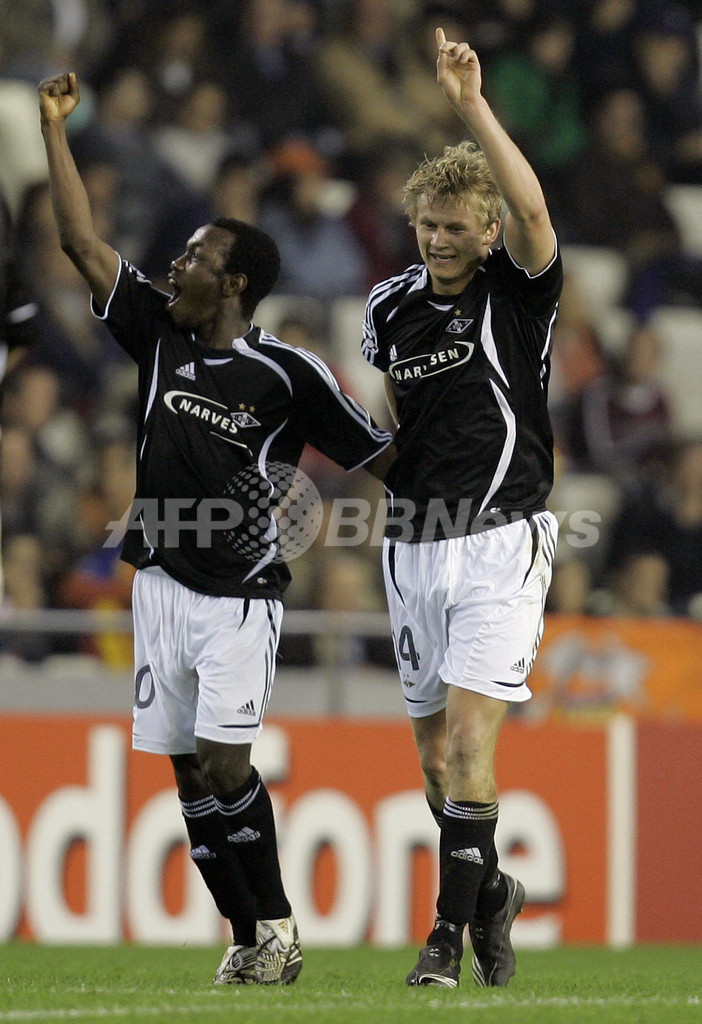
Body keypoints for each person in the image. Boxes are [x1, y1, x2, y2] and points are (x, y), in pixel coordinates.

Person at [38, 70, 394, 986]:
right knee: (189, 774)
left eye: (195, 257)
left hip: (239, 596)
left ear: (234, 282)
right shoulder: (156, 331)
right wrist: (54, 129)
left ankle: (277, 925)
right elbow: (79, 241)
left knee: (227, 765)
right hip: (158, 584)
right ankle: (247, 938)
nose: (175, 265)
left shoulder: (290, 374)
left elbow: (382, 457)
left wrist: (458, 502)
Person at [361, 28, 562, 988]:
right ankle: (492, 894)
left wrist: (471, 105)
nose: (440, 240)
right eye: (427, 225)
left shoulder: (517, 297)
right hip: (414, 548)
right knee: (439, 763)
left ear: (486, 235)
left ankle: (445, 936)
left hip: (501, 543)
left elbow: (532, 205)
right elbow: (398, 419)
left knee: (475, 743)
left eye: (456, 227)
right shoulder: (388, 309)